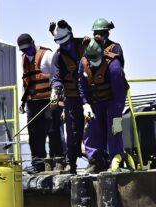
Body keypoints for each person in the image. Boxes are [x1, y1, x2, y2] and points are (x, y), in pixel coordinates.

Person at [17, 33, 65, 174]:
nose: (26, 52)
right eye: (23, 50)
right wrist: (23, 100)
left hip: (49, 100)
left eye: (28, 48)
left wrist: (56, 95)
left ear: (33, 43)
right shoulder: (23, 59)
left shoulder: (47, 55)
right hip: (32, 101)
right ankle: (38, 164)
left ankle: (58, 161)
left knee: (53, 130)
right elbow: (26, 81)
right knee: (34, 133)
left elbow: (57, 75)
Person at [78, 38, 127, 174]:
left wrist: (117, 114)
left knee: (114, 130)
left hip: (112, 102)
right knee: (92, 129)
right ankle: (95, 161)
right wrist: (85, 104)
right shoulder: (83, 64)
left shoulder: (114, 65)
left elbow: (120, 92)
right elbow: (82, 86)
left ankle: (116, 160)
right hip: (95, 102)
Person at [49, 20, 86, 175]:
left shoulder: (85, 45)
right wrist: (55, 91)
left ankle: (98, 160)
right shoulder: (57, 56)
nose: (65, 45)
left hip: (90, 97)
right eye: (61, 43)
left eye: (67, 42)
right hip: (71, 98)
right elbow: (56, 76)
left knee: (92, 128)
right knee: (71, 132)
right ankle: (72, 164)